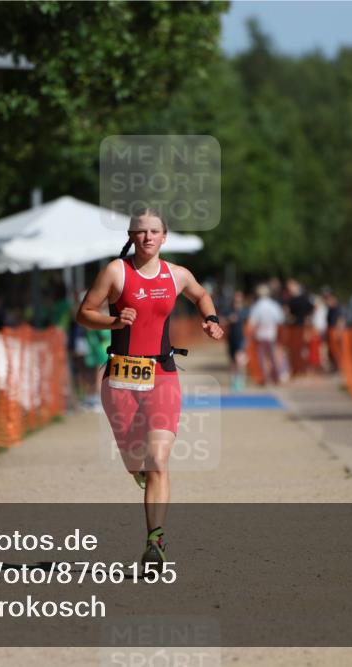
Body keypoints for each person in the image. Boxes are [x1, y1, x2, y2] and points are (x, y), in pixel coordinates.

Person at [76, 208, 223, 567]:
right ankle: (141, 475)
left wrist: (211, 319)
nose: (148, 237)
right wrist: (113, 319)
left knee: (158, 459)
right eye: (141, 232)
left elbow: (201, 295)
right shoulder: (115, 272)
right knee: (134, 462)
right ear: (132, 236)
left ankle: (155, 543)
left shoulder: (177, 275)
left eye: (154, 231)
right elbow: (84, 314)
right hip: (120, 379)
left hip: (163, 376)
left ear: (164, 237)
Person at [248, 284, 286, 385]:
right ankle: (276, 376)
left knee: (263, 357)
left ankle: (266, 377)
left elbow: (252, 323)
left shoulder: (257, 306)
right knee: (273, 356)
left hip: (261, 335)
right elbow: (280, 320)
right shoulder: (274, 305)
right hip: (272, 335)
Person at [223, 290, 250, 391]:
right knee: (232, 362)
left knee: (240, 361)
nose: (237, 300)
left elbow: (250, 324)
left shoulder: (245, 311)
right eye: (236, 298)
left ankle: (240, 381)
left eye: (239, 298)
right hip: (231, 339)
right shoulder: (229, 310)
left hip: (241, 339)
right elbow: (221, 319)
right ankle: (233, 382)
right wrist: (229, 319)